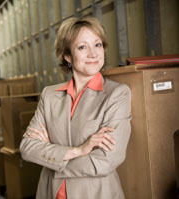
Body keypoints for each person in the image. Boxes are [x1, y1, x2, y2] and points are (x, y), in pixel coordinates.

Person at [19, 16, 132, 199]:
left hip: (96, 194)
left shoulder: (117, 95)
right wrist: (78, 151)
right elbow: (27, 148)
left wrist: (52, 160)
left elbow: (104, 161)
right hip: (50, 193)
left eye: (97, 45)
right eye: (82, 47)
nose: (93, 54)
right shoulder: (49, 96)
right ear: (67, 55)